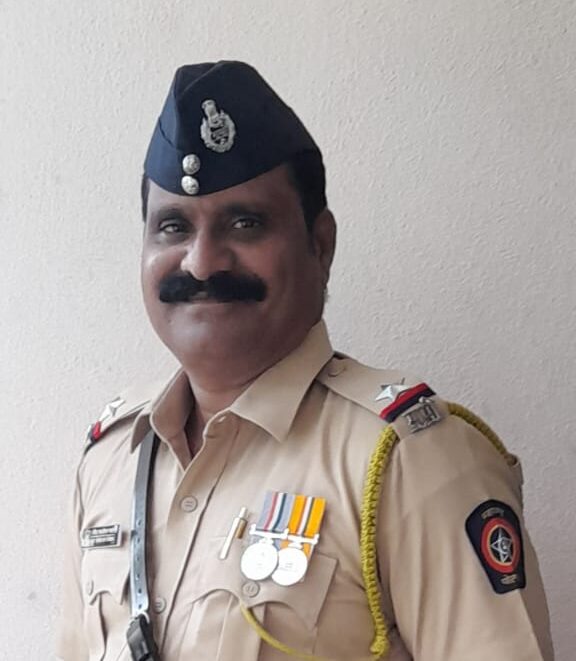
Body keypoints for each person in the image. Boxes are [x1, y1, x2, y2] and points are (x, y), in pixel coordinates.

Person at [57, 61, 554, 661]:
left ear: (320, 245)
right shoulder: (110, 460)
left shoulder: (409, 461)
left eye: (245, 223)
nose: (201, 261)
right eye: (173, 227)